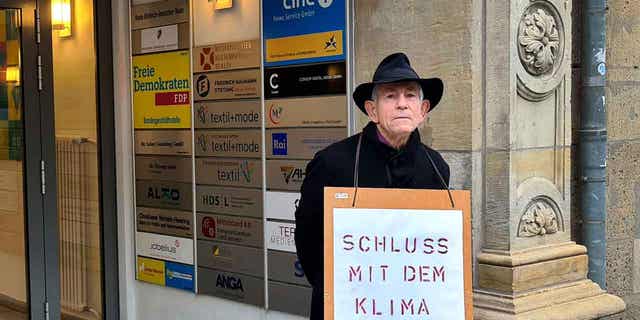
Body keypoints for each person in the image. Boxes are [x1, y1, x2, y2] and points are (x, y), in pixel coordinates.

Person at [294, 52, 451, 319]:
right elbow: (308, 245)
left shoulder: (436, 168)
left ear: (423, 110)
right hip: (349, 306)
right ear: (372, 110)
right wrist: (342, 290)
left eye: (410, 95)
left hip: (411, 308)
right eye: (390, 95)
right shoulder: (332, 164)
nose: (402, 104)